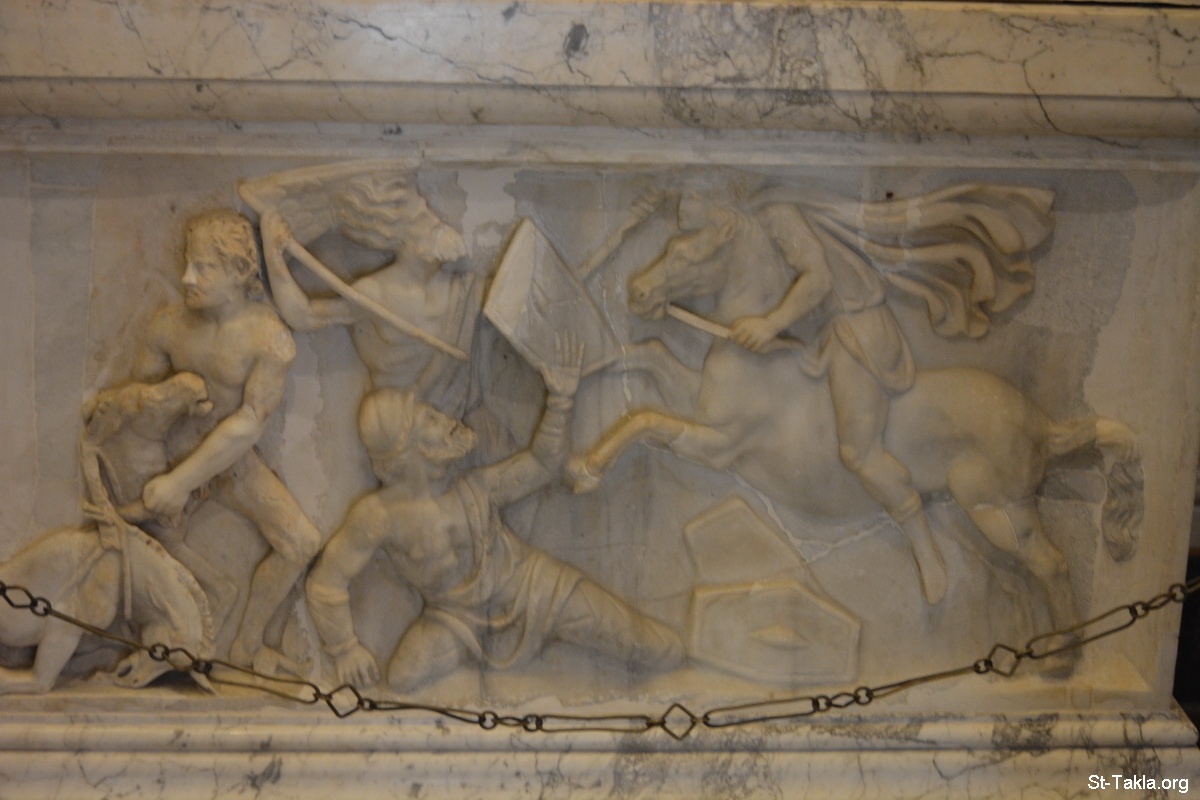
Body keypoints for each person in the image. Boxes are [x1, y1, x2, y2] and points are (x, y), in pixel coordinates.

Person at [306, 335, 684, 692]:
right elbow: (326, 581)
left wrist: (561, 399)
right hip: (454, 617)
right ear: (407, 449)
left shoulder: (476, 487)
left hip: (530, 587)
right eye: (431, 421)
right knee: (403, 676)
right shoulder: (379, 516)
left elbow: (542, 464)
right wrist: (344, 649)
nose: (446, 420)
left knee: (658, 648)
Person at [673, 183, 949, 605]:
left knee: (858, 452)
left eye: (697, 201)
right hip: (814, 339)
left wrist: (769, 324)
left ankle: (925, 547)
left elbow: (818, 278)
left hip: (855, 330)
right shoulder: (746, 228)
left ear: (723, 210)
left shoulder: (777, 215)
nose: (688, 207)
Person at [132, 209, 323, 667]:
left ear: (239, 271)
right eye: (187, 263)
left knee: (301, 543)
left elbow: (249, 422)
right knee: (141, 534)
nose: (187, 277)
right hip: (167, 452)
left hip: (229, 458)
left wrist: (180, 483)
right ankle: (160, 633)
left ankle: (247, 644)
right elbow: (136, 406)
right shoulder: (167, 325)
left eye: (202, 267)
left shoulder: (268, 338)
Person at [260, 174, 481, 418]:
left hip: (460, 415)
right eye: (423, 218)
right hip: (401, 421)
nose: (436, 222)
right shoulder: (376, 294)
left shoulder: (463, 289)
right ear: (401, 235)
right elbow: (304, 315)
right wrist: (273, 255)